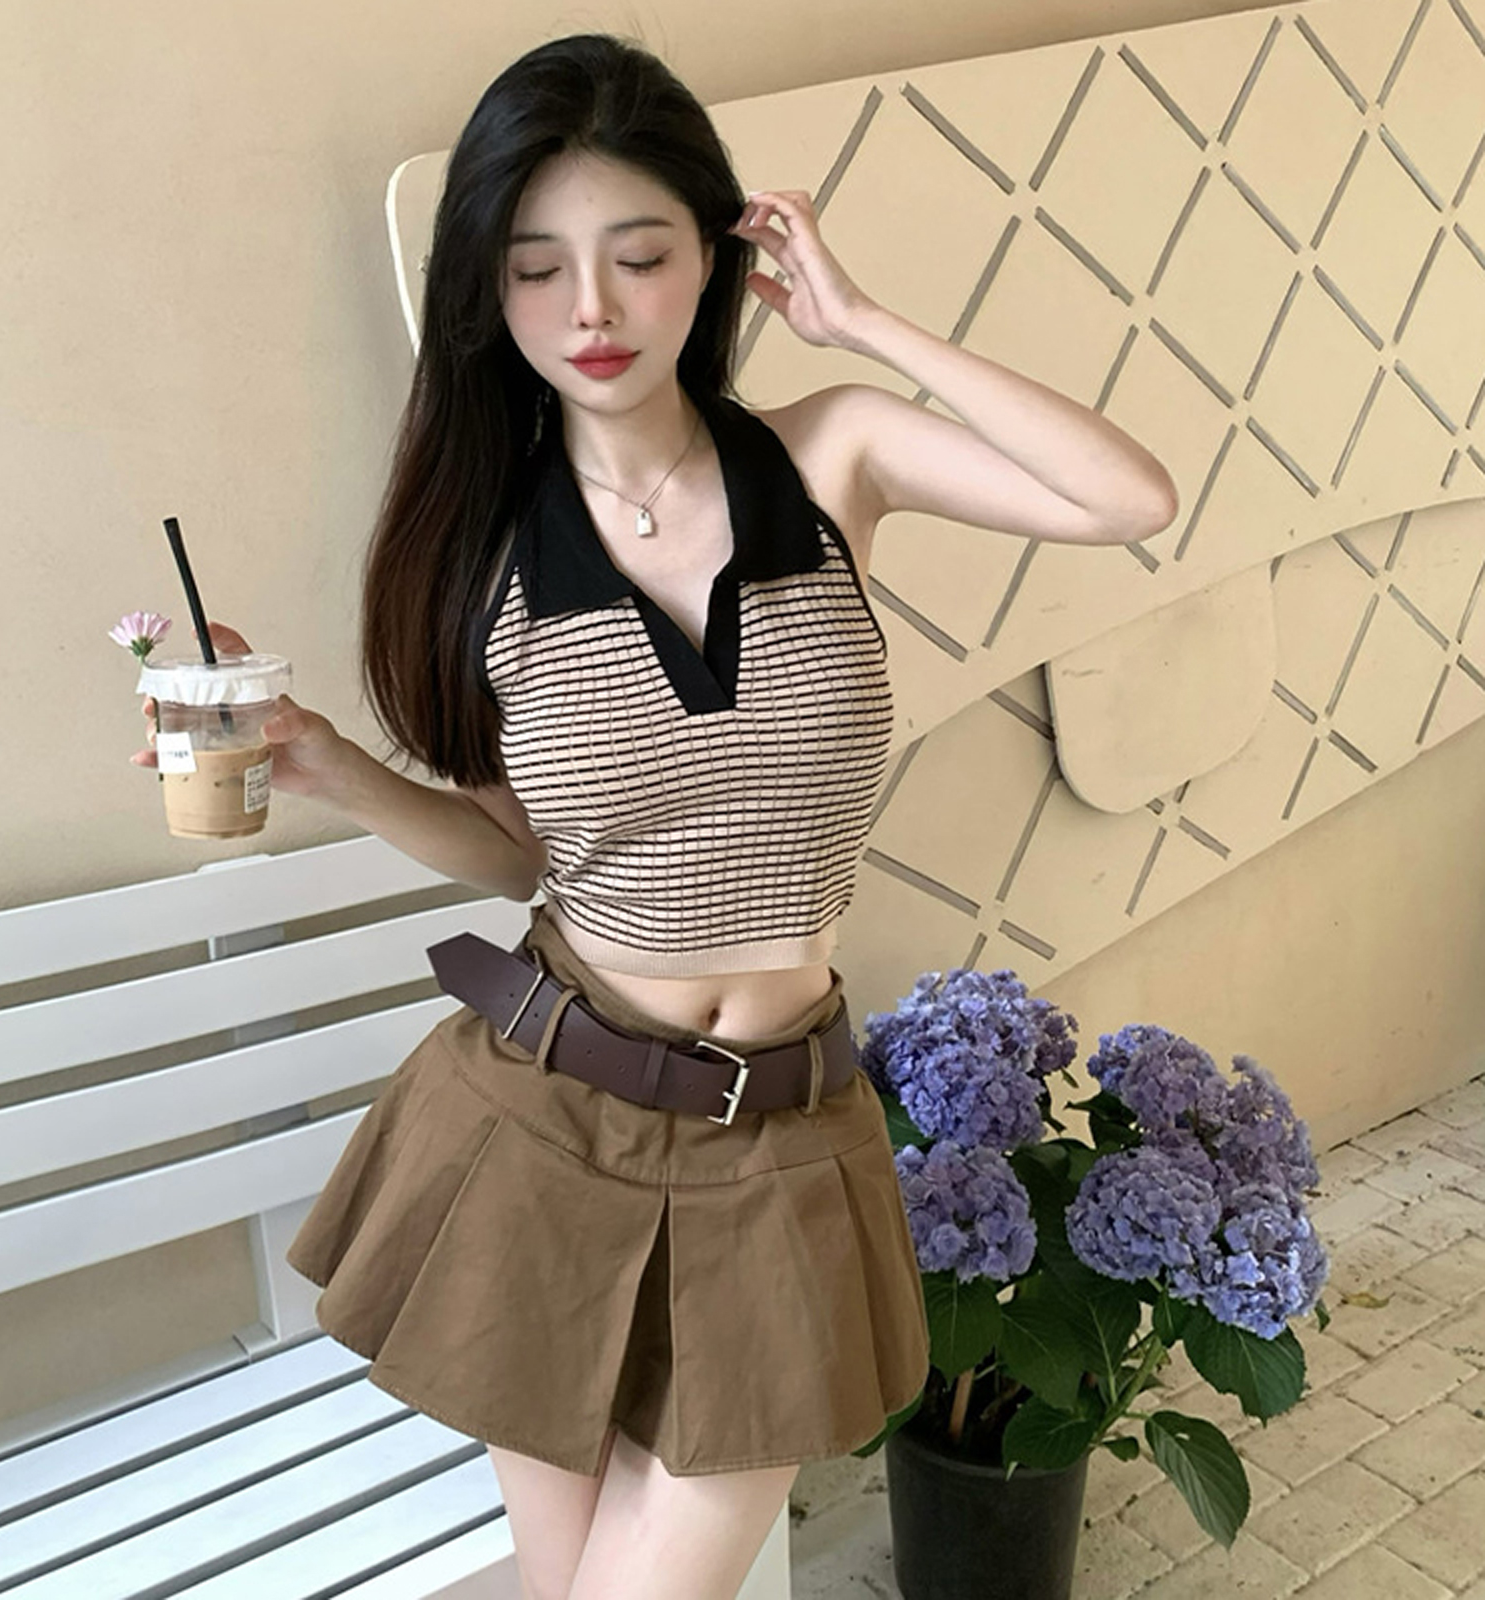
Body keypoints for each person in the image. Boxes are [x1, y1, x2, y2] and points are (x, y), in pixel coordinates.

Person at [132, 33, 1175, 1600]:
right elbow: (520, 855)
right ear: (487, 291)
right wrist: (331, 766)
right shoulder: (480, 554)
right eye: (538, 268)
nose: (593, 311)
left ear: (715, 253)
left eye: (638, 255)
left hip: (780, 1133)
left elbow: (1128, 498)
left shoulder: (830, 456)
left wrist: (862, 322)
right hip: (549, 1115)